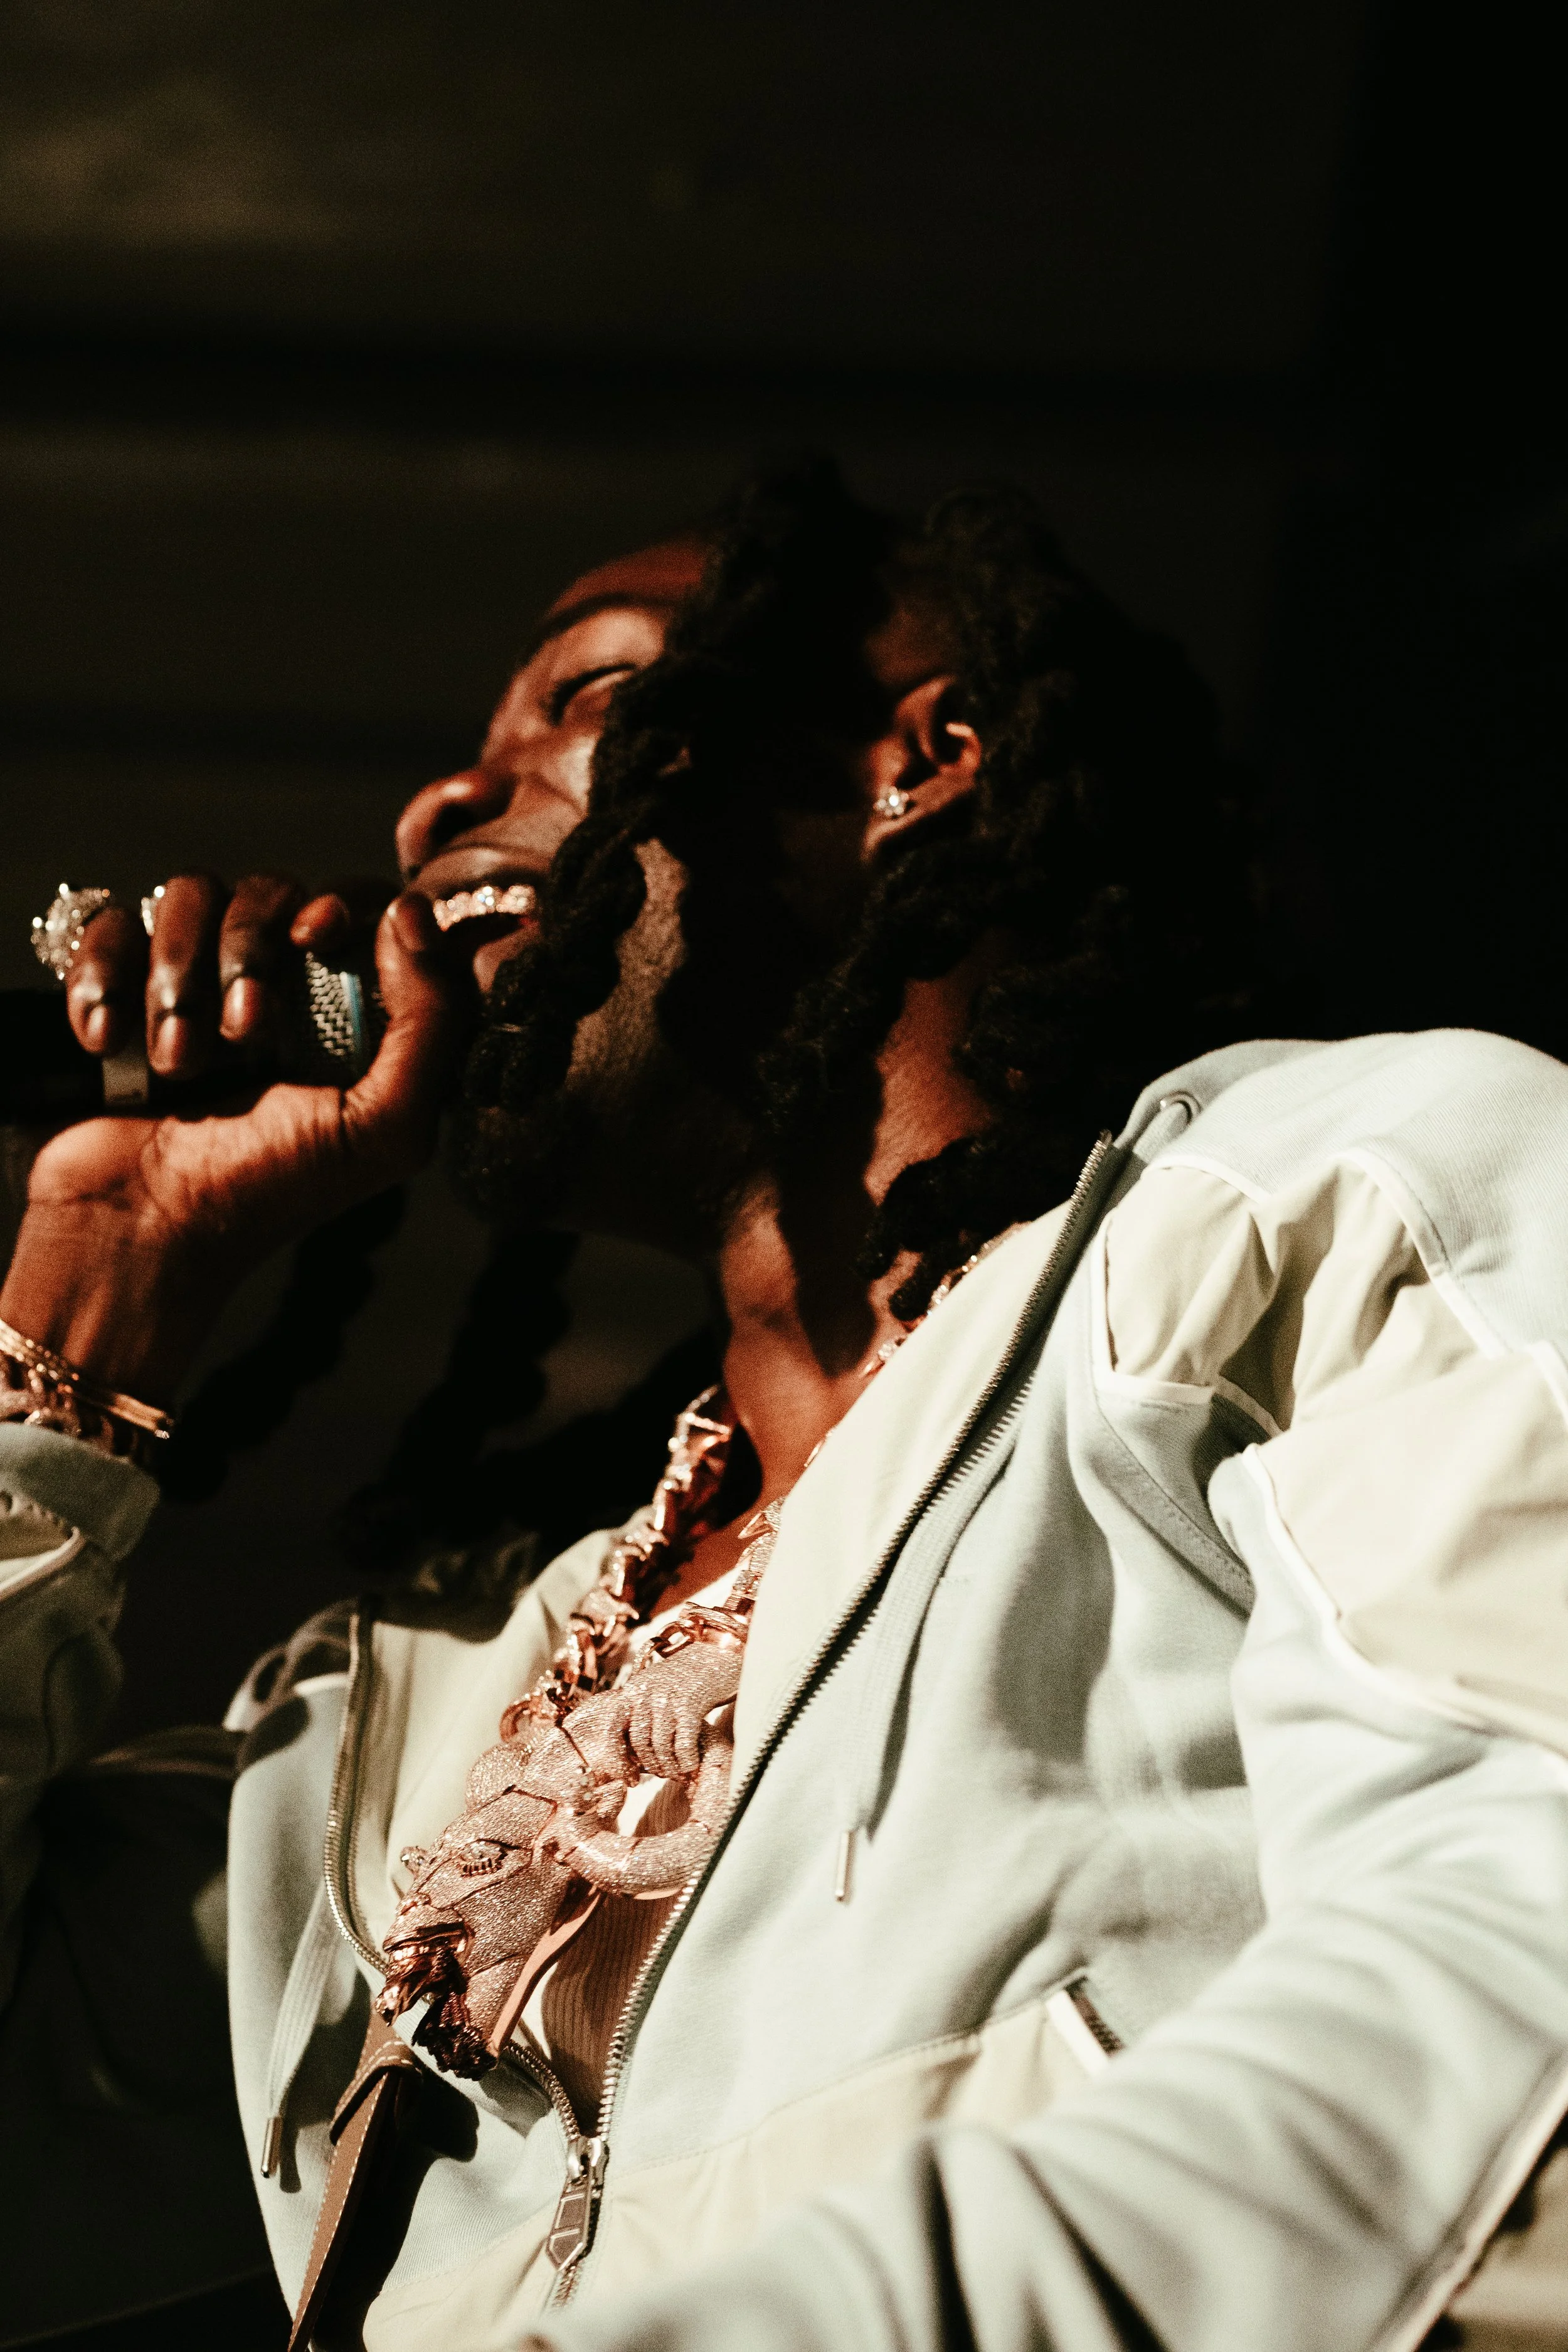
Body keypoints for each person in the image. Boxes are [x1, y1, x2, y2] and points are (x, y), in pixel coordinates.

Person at [4, 460, 1568, 2352]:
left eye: (581, 695)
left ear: (928, 759)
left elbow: (1516, 2005)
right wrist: (86, 1308)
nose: (434, 800)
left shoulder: (1329, 1204)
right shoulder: (416, 1709)